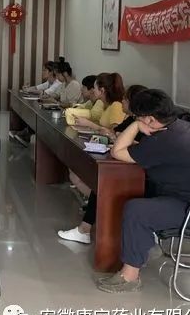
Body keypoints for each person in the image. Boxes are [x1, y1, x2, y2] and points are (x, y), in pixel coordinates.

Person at [96, 89, 190, 293]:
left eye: (137, 117)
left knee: (137, 210)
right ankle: (143, 247)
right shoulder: (178, 128)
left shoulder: (168, 139)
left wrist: (135, 126)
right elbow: (145, 151)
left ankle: (130, 277)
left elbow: (117, 152)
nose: (136, 120)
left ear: (150, 119)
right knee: (139, 191)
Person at [58, 84, 148, 244]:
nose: (122, 102)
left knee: (104, 183)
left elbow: (137, 146)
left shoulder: (143, 125)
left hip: (139, 175)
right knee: (99, 182)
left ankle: (84, 229)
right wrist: (115, 136)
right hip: (127, 166)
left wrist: (118, 138)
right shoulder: (132, 119)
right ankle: (85, 228)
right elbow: (116, 132)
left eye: (125, 99)